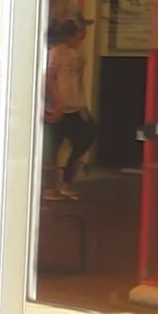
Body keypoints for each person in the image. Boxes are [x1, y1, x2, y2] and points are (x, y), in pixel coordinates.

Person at [44, 17, 96, 199]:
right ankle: (51, 187)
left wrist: (84, 103)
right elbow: (49, 78)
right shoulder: (57, 52)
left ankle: (66, 179)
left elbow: (80, 78)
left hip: (77, 103)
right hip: (60, 105)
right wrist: (57, 101)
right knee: (54, 145)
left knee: (87, 135)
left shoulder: (80, 51)